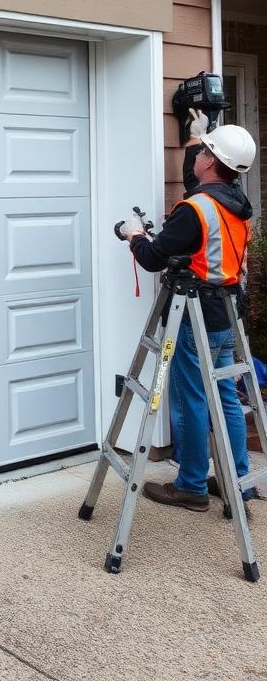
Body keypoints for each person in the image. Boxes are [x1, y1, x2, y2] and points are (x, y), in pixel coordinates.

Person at [123, 109, 257, 513]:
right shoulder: (235, 203)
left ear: (212, 163)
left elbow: (152, 258)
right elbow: (198, 190)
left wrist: (134, 236)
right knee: (226, 397)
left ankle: (192, 485)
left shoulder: (195, 210)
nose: (199, 154)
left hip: (195, 314)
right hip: (227, 311)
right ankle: (236, 480)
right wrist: (196, 137)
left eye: (204, 151)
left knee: (191, 399)